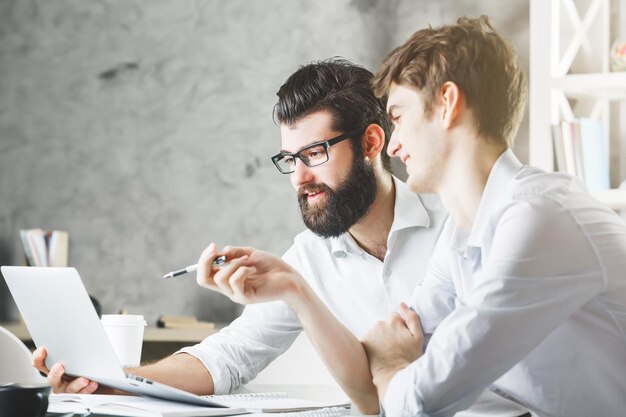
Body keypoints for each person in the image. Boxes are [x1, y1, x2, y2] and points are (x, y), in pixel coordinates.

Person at [33, 58, 526, 416]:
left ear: (372, 142)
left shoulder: (459, 224)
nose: (298, 178)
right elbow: (227, 359)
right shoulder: (307, 257)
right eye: (289, 160)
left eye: (313, 154)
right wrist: (114, 384)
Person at [357, 15, 626, 417]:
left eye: (397, 117)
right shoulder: (461, 233)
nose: (392, 147)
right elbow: (402, 338)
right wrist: (296, 291)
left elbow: (422, 395)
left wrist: (391, 368)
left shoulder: (540, 217)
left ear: (447, 103)